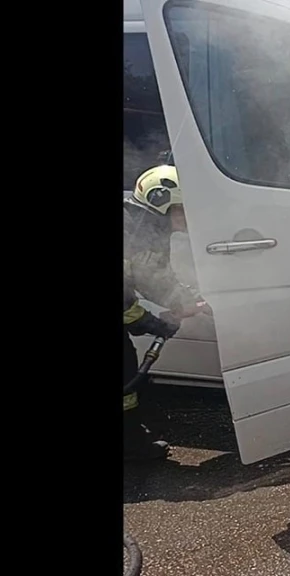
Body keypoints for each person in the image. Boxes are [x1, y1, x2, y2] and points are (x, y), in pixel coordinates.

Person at [123, 160, 211, 461]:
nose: (188, 217)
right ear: (160, 202)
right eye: (182, 210)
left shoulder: (143, 230)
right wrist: (151, 323)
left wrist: (186, 300)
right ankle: (131, 444)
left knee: (126, 369)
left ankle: (130, 439)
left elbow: (154, 277)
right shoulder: (128, 230)